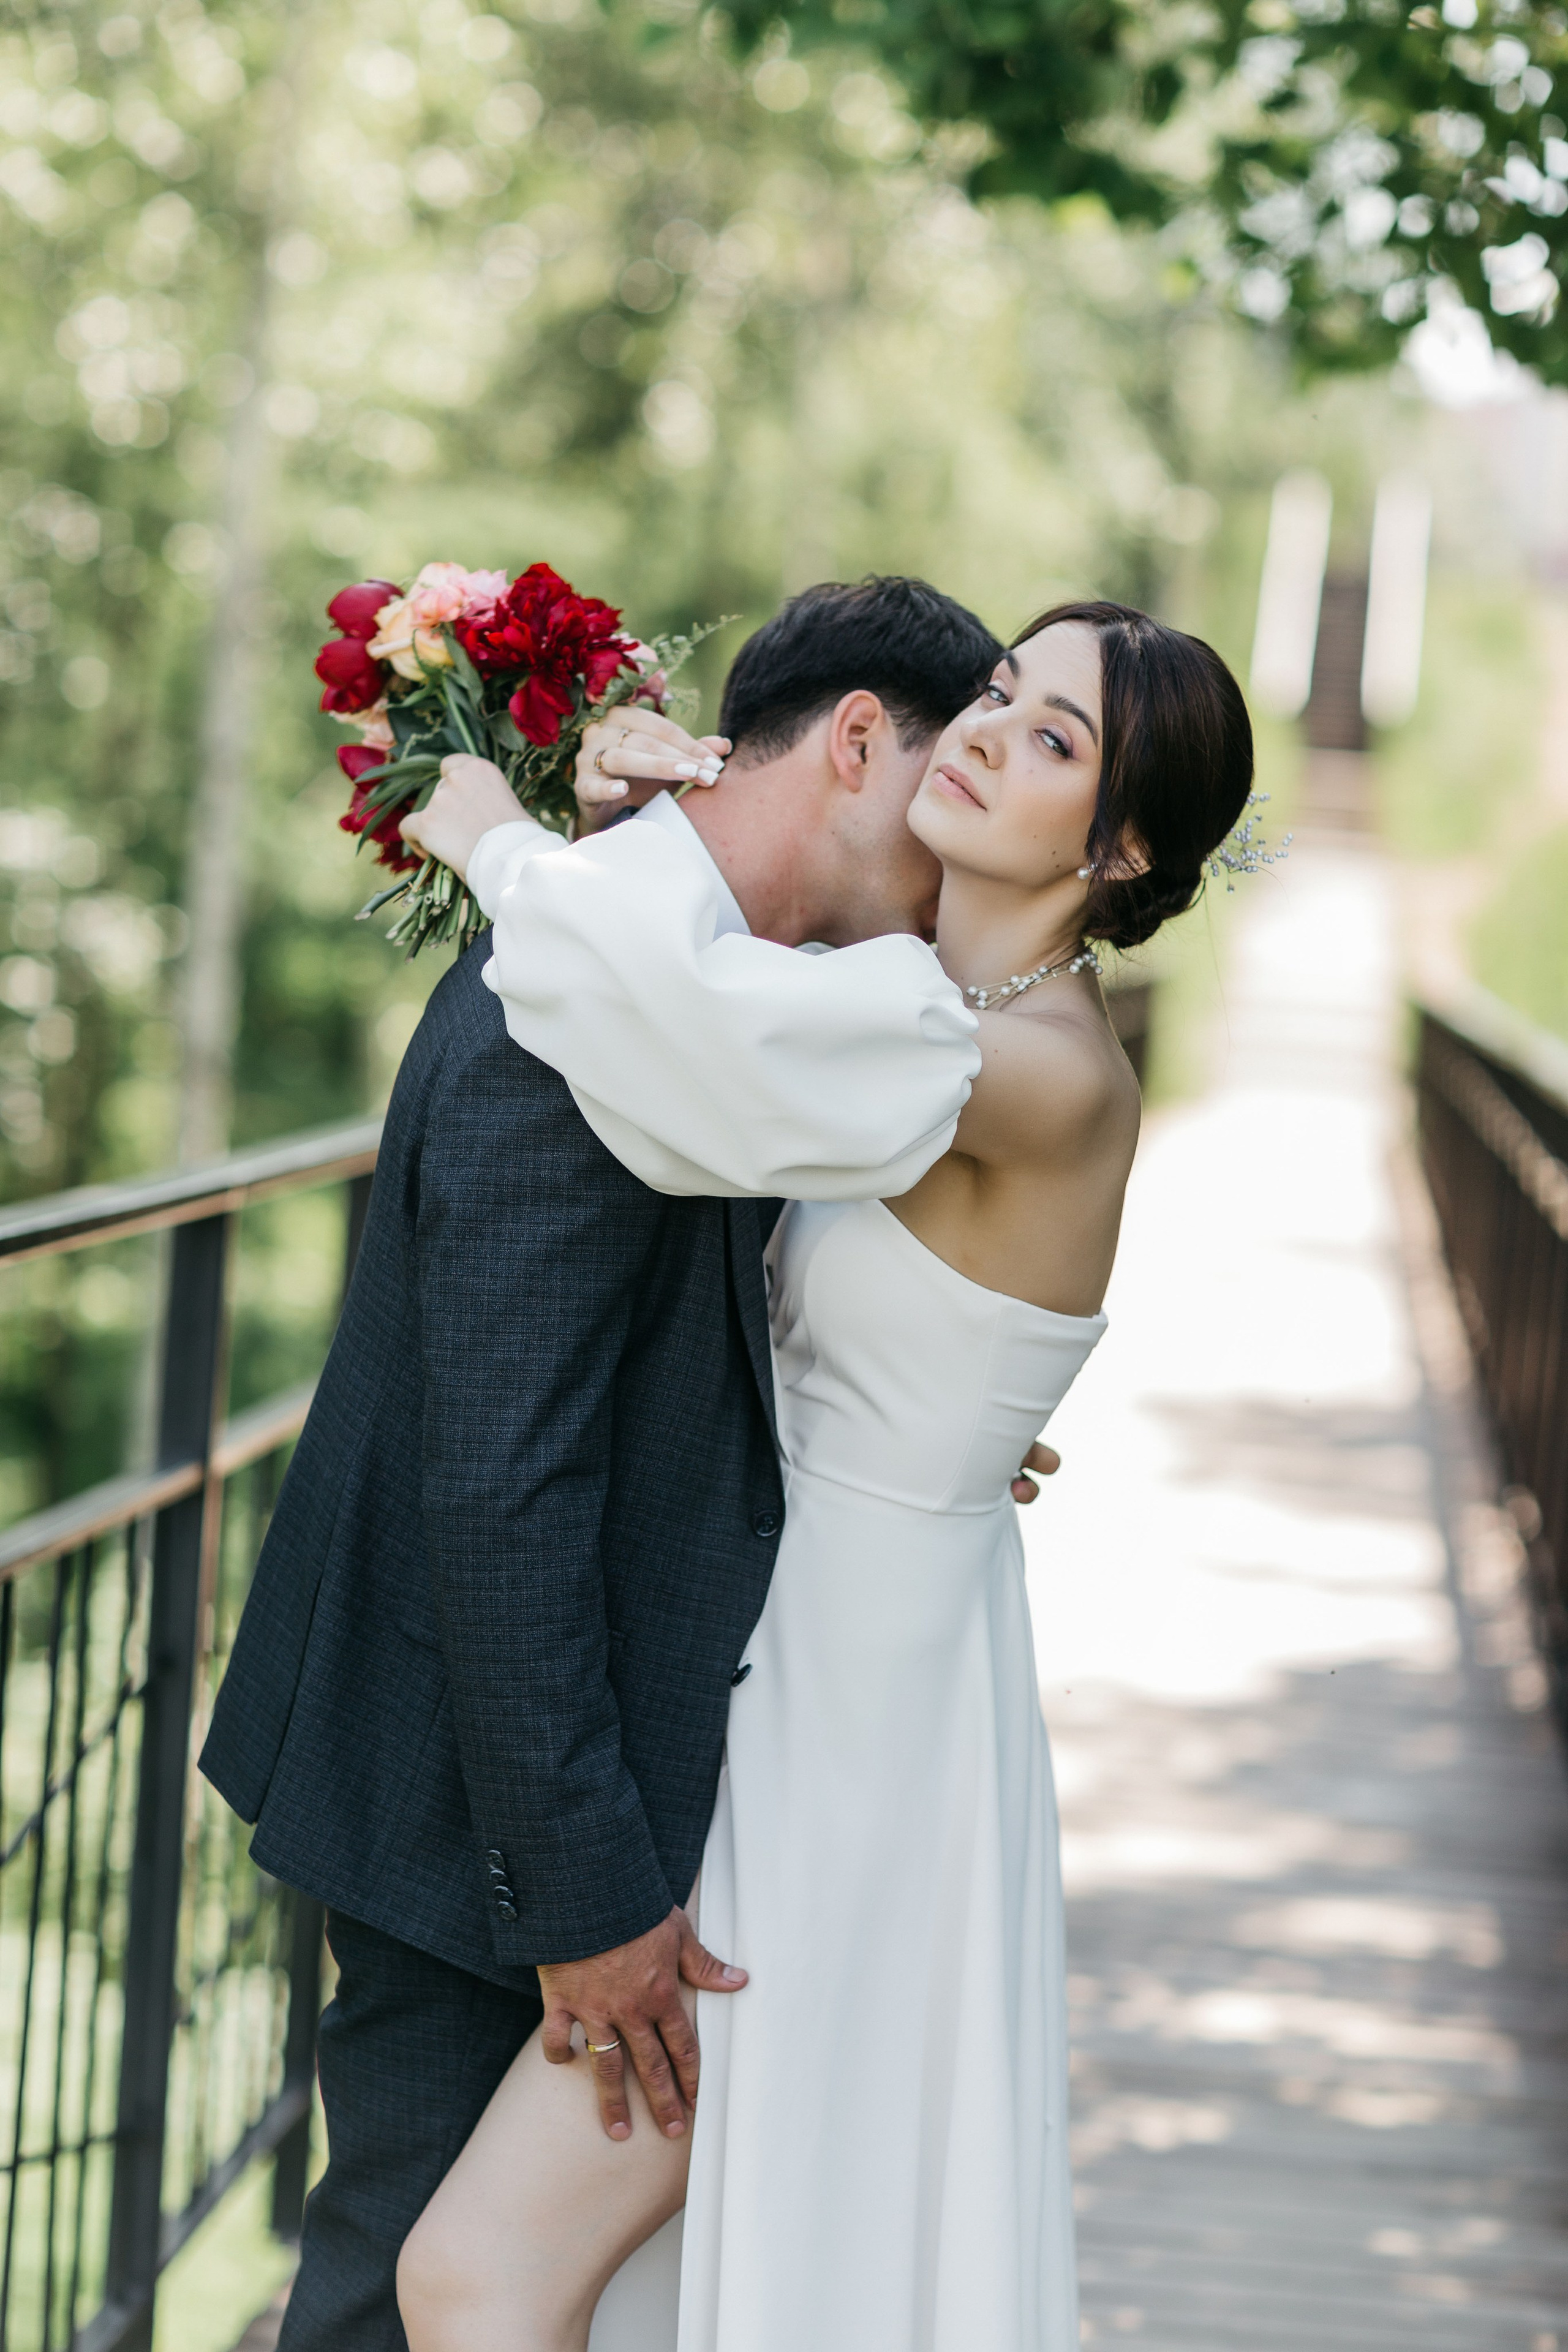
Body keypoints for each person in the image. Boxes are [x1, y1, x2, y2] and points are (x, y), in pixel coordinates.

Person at [198, 577, 1066, 2352]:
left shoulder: (689, 973)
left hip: (577, 1772)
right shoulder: (575, 998)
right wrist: (587, 1904)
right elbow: (503, 1485)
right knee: (391, 2296)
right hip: (480, 1809)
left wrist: (921, 1402)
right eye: (953, 770)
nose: (953, 857)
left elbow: (691, 1323)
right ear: (855, 744)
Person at [390, 600, 1256, 2351]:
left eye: (1056, 738)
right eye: (1001, 692)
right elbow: (746, 1045)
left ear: (1122, 850)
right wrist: (628, 816)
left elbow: (701, 1037)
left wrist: (500, 842)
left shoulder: (1039, 1068)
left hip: (849, 1731)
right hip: (793, 1661)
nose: (989, 731)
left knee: (481, 2273)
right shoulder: (922, 993)